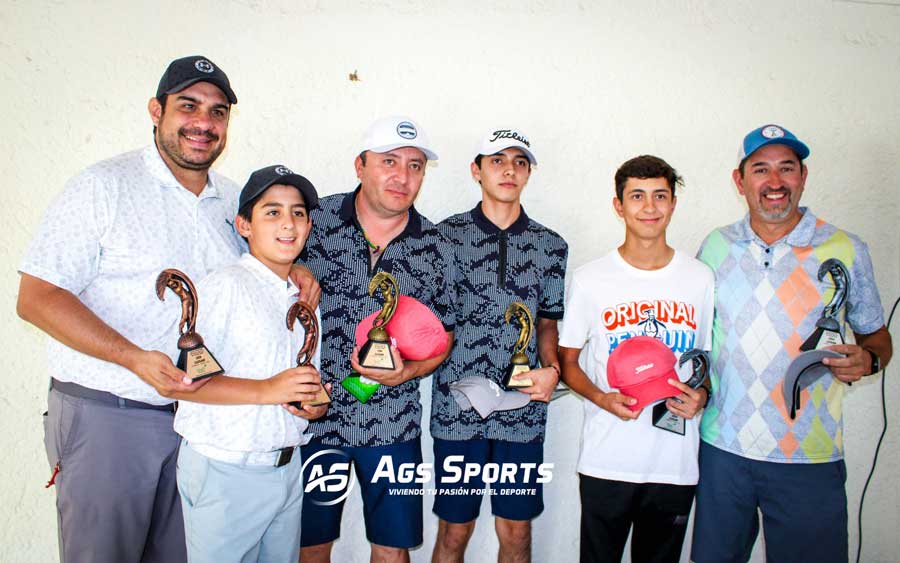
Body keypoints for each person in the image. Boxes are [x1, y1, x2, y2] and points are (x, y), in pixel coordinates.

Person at [16, 55, 247, 562]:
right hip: (110, 415)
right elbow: (36, 298)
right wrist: (132, 357)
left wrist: (295, 272)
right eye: (188, 106)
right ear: (156, 110)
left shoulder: (234, 202)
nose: (203, 123)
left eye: (218, 111)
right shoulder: (104, 186)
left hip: (200, 427)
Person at [690, 124, 893, 563]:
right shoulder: (714, 247)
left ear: (803, 177)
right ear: (739, 181)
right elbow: (701, 340)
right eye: (760, 169)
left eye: (787, 168)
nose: (775, 182)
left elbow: (877, 338)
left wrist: (869, 360)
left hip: (809, 456)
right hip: (724, 452)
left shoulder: (846, 248)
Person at [299, 116, 455, 563]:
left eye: (415, 166)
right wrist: (296, 267)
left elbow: (443, 338)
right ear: (360, 165)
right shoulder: (312, 221)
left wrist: (411, 370)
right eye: (389, 161)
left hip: (393, 420)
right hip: (315, 412)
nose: (402, 176)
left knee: (392, 550)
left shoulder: (436, 245)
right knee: (311, 545)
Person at [558, 155, 715, 563]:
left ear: (673, 204)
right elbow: (568, 361)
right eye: (638, 196)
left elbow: (704, 364)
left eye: (660, 196)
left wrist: (701, 397)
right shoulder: (590, 279)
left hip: (674, 464)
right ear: (618, 205)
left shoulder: (700, 278)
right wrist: (600, 398)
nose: (649, 207)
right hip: (607, 460)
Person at [170, 165, 329, 561]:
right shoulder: (225, 286)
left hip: (288, 466)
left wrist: (315, 402)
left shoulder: (303, 296)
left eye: (297, 213)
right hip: (228, 471)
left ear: (309, 226)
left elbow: (305, 382)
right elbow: (187, 382)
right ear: (244, 225)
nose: (287, 224)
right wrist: (267, 390)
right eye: (272, 212)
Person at [430, 127, 567, 563]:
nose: (509, 170)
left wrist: (553, 369)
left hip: (522, 410)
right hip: (457, 409)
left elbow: (548, 324)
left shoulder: (551, 246)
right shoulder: (441, 238)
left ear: (529, 173)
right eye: (497, 161)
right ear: (477, 170)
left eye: (519, 162)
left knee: (516, 529)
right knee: (454, 529)